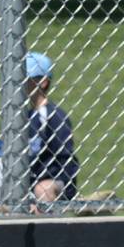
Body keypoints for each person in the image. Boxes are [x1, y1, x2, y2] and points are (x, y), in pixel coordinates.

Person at [25, 52, 79, 204]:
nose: (21, 84)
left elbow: (65, 157)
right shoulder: (24, 116)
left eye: (27, 79)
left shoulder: (54, 116)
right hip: (28, 181)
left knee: (43, 189)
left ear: (43, 82)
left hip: (55, 180)